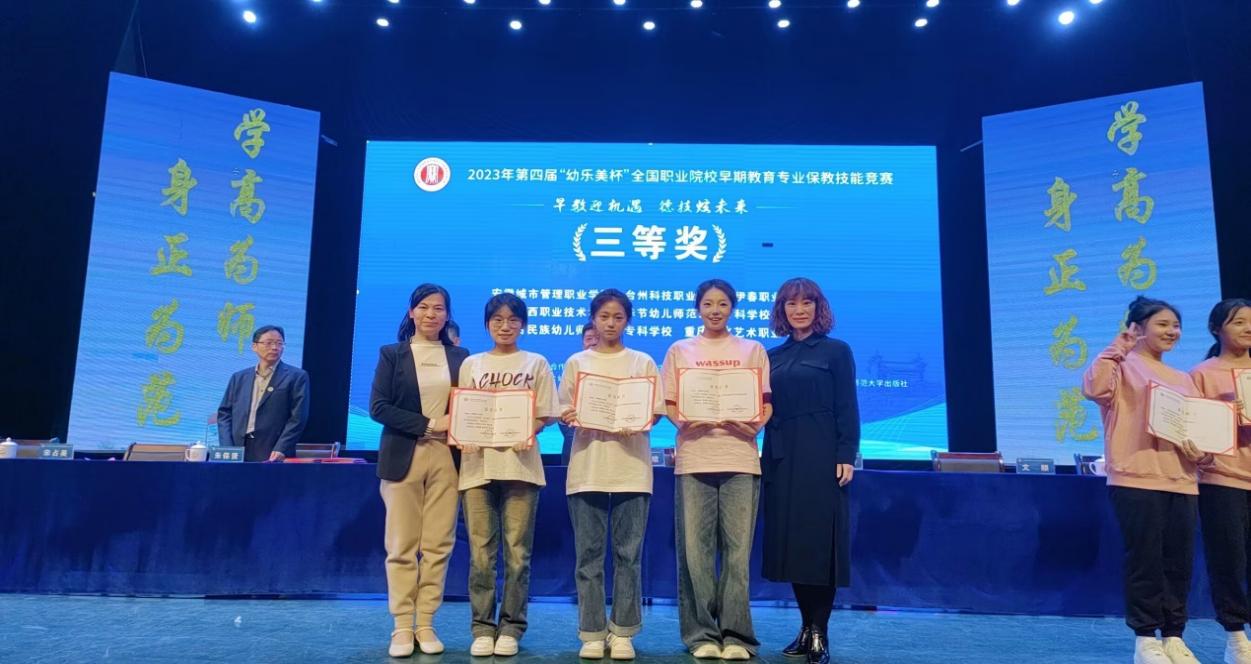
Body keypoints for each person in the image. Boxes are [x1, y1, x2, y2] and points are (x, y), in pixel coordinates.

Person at [1083, 295, 1213, 664]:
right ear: (1138, 328)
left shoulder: (1185, 379)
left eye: (1176, 325)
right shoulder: (1121, 366)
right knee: (1145, 560)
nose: (1172, 331)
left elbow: (1200, 431)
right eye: (1163, 324)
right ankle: (1145, 640)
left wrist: (1201, 453)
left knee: (1179, 563)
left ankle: (1173, 636)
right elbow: (1093, 389)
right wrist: (1119, 346)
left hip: (1182, 480)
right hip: (1135, 478)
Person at [661, 279, 771, 660]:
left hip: (740, 458)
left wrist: (755, 425)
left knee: (738, 554)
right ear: (698, 308)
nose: (715, 310)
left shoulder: (752, 350)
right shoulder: (680, 350)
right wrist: (683, 421)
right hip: (695, 458)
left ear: (732, 308)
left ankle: (737, 637)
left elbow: (766, 403)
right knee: (696, 552)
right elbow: (670, 403)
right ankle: (701, 635)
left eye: (722, 304)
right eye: (708, 304)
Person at [558, 289, 665, 660]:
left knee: (628, 556)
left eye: (618, 317)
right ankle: (591, 631)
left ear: (627, 321)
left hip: (632, 470)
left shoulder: (642, 362)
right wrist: (571, 415)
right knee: (588, 557)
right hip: (587, 469)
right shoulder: (577, 362)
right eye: (604, 316)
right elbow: (563, 409)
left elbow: (656, 411)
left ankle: (622, 632)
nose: (610, 323)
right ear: (594, 319)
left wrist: (641, 419)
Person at [457, 293, 560, 657]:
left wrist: (528, 428)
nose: (505, 326)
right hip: (477, 468)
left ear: (523, 324)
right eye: (497, 320)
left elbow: (547, 412)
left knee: (518, 554)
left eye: (513, 320)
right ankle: (482, 627)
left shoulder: (536, 362)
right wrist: (465, 432)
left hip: (521, 467)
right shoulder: (471, 363)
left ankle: (512, 627)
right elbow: (464, 409)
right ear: (487, 324)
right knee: (481, 554)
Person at [761, 278, 858, 664]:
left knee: (820, 544)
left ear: (819, 308)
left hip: (822, 453)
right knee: (794, 546)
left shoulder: (836, 351)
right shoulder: (772, 356)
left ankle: (820, 631)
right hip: (782, 455)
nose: (799, 310)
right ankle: (805, 627)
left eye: (806, 303)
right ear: (781, 311)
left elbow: (847, 406)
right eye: (791, 304)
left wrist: (846, 453)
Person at [370, 284, 469, 658]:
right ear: (411, 312)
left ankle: (425, 622)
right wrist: (428, 424)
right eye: (424, 307)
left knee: (438, 545)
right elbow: (379, 407)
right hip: (403, 455)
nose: (431, 314)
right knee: (401, 546)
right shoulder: (392, 354)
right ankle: (401, 626)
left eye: (439, 308)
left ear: (447, 315)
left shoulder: (460, 357)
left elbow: (471, 405)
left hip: (448, 457)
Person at [1189, 298, 1251, 664]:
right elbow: (1195, 431)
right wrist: (1230, 418)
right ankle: (1236, 637)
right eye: (1238, 321)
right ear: (1217, 329)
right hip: (1222, 479)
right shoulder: (1202, 374)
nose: (1248, 328)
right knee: (1228, 559)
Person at [216, 325, 310, 462]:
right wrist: (227, 447)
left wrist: (282, 448)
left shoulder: (296, 376)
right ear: (254, 346)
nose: (275, 347)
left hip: (273, 452)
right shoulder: (239, 377)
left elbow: (298, 417)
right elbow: (224, 414)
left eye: (279, 343)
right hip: (238, 449)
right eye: (269, 343)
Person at [561, 322, 600, 465]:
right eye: (589, 339)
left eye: (598, 338)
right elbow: (563, 404)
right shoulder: (575, 363)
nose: (593, 342)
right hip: (578, 428)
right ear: (583, 342)